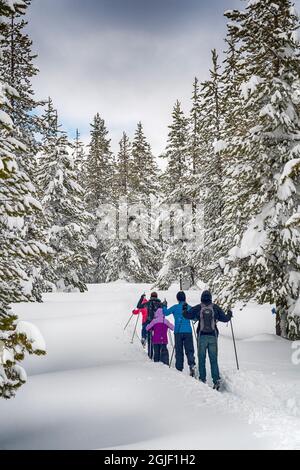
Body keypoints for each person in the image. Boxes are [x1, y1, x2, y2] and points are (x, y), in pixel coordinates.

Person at [183, 290, 232, 390]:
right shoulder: (215, 307)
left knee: (201, 359)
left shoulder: (198, 307)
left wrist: (184, 309)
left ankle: (202, 379)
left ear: (202, 297)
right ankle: (216, 380)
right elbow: (225, 319)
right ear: (210, 298)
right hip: (213, 337)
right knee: (213, 359)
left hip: (202, 337)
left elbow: (187, 315)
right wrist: (229, 313)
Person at [163, 291, 196, 377]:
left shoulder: (175, 307)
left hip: (178, 332)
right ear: (185, 298)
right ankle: (192, 365)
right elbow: (195, 317)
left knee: (179, 350)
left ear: (177, 299)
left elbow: (165, 313)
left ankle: (179, 369)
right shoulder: (189, 307)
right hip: (188, 331)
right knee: (189, 350)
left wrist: (164, 305)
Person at [137, 292, 164, 359]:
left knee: (150, 339)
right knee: (157, 340)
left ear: (151, 296)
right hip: (158, 323)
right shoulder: (160, 304)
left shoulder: (148, 303)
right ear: (157, 296)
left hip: (149, 323)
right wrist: (165, 304)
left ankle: (150, 355)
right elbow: (165, 311)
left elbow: (139, 306)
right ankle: (157, 356)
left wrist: (141, 298)